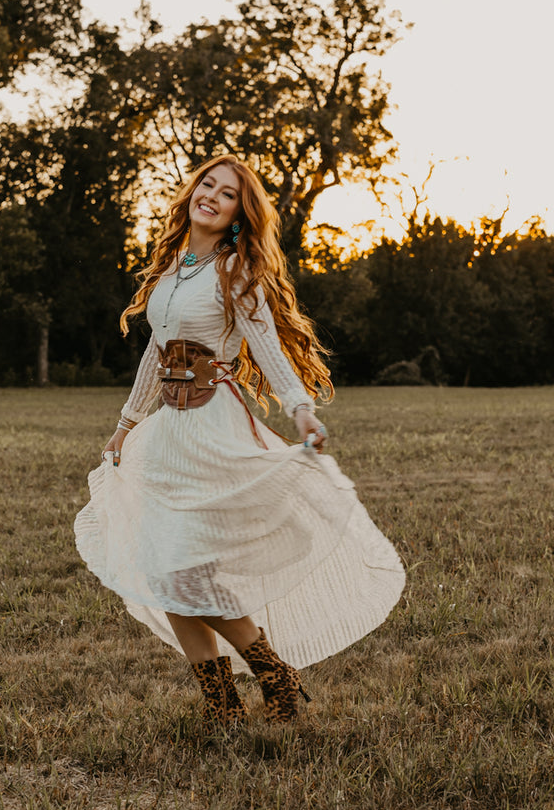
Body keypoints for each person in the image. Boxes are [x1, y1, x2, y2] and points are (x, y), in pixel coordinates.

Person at [74, 155, 405, 728]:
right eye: (207, 184)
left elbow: (269, 347)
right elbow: (158, 351)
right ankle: (222, 704)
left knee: (189, 572)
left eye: (227, 194)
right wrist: (126, 425)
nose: (212, 196)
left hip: (210, 428)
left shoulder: (237, 272)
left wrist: (301, 410)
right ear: (192, 192)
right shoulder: (174, 267)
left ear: (236, 216)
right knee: (162, 569)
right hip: (164, 433)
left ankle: (273, 674)